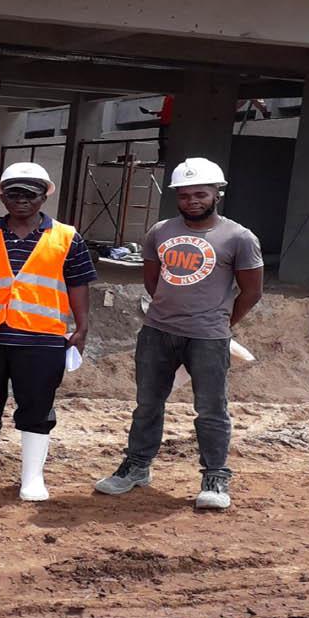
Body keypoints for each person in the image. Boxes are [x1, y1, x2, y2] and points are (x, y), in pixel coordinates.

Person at [94, 157, 263, 510]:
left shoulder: (239, 237)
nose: (192, 201)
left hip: (208, 338)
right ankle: (137, 466)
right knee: (147, 404)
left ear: (217, 193)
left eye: (200, 194)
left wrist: (219, 323)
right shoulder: (160, 232)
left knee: (211, 409)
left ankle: (215, 476)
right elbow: (152, 280)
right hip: (157, 333)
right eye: (184, 195)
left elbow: (251, 292)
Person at [0, 161, 95, 501]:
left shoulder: (66, 237)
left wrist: (82, 328)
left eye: (30, 193)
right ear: (2, 196)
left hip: (42, 337)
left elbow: (79, 285)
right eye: (13, 193)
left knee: (37, 407)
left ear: (44, 197)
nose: (21, 200)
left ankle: (32, 478)